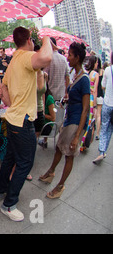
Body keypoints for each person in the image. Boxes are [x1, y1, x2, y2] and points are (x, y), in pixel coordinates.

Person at [0, 27, 52, 222]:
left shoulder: (12, 62)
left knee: (10, 157)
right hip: (23, 121)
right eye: (33, 41)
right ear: (29, 40)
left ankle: (1, 189)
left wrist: (14, 104)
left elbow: (5, 92)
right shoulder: (26, 57)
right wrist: (45, 38)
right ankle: (9, 204)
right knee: (25, 163)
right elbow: (46, 58)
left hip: (13, 118)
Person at [39, 42, 90, 199]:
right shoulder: (76, 76)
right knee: (60, 148)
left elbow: (86, 109)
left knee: (68, 154)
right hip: (69, 118)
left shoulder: (85, 79)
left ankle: (60, 186)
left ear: (77, 57)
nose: (67, 57)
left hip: (76, 122)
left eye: (70, 55)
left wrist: (77, 136)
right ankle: (51, 172)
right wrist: (67, 99)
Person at [93, 58, 113, 164]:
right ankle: (104, 151)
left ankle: (102, 151)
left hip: (107, 103)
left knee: (104, 128)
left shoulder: (108, 70)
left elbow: (103, 86)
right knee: (110, 130)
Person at [44, 37, 70, 102]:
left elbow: (45, 78)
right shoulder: (63, 59)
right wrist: (66, 92)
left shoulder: (48, 60)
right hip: (62, 95)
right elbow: (67, 77)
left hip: (50, 96)